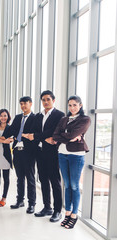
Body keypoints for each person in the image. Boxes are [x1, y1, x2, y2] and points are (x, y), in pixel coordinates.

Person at [23, 90, 65, 222]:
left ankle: (58, 210)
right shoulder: (39, 116)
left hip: (52, 153)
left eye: (48, 99)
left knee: (55, 181)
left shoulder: (60, 115)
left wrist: (37, 136)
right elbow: (36, 130)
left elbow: (53, 130)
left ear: (53, 100)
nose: (45, 102)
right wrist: (42, 137)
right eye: (43, 100)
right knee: (43, 180)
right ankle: (47, 207)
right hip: (39, 152)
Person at [53, 95, 91, 229]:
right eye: (70, 105)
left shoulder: (85, 119)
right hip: (62, 154)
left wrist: (65, 135)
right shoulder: (64, 119)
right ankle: (67, 212)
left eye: (75, 105)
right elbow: (55, 135)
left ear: (80, 105)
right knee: (67, 185)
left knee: (74, 185)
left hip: (76, 155)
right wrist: (68, 136)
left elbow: (67, 135)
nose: (72, 107)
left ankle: (74, 214)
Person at [5, 96, 36, 214]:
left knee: (30, 178)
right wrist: (23, 134)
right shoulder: (18, 118)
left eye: (25, 103)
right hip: (17, 150)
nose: (23, 106)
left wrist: (20, 134)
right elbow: (10, 131)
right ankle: (20, 200)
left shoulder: (35, 118)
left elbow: (34, 133)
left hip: (29, 151)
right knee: (20, 178)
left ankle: (32, 204)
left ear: (31, 104)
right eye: (21, 104)